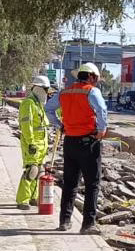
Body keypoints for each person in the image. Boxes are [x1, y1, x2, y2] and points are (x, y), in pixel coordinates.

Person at [46, 63, 109, 235]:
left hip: (70, 142)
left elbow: (48, 109)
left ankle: (65, 221)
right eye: (95, 78)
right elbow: (102, 110)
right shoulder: (91, 91)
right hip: (89, 142)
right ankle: (88, 224)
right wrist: (102, 130)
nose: (96, 82)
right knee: (92, 184)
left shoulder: (64, 92)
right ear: (90, 76)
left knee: (70, 183)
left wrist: (60, 125)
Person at [15, 76, 51, 208]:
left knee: (39, 171)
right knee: (32, 170)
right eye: (46, 89)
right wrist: (31, 142)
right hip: (33, 143)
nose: (47, 92)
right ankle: (22, 200)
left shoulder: (38, 104)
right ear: (38, 88)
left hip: (41, 144)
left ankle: (33, 197)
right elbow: (26, 125)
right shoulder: (28, 103)